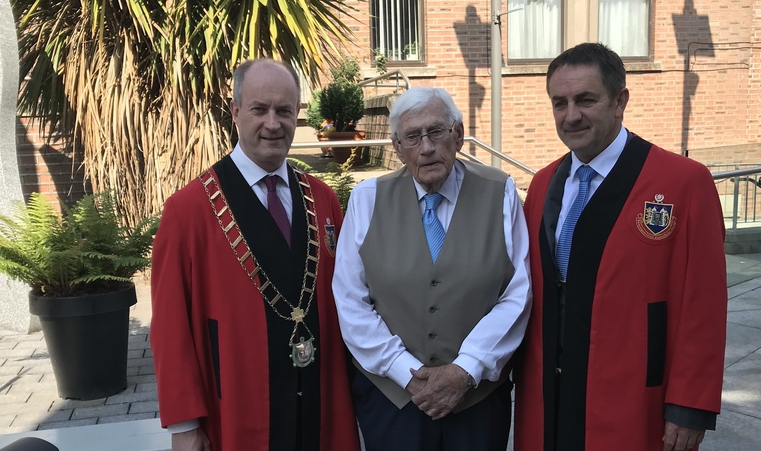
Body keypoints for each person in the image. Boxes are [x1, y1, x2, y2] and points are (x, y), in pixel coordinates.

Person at [514, 43, 728, 451]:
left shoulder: (683, 182)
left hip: (633, 397)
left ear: (620, 101)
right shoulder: (542, 185)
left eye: (586, 99)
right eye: (559, 103)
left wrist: (690, 405)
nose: (571, 115)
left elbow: (705, 303)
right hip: (546, 395)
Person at [150, 59, 360, 451]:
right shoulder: (188, 210)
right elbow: (169, 327)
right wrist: (183, 424)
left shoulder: (323, 199)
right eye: (259, 109)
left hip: (321, 402)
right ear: (235, 112)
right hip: (238, 407)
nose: (273, 123)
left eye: (284, 111)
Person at [333, 86, 532, 451]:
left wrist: (466, 368)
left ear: (457, 134)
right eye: (412, 136)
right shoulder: (366, 199)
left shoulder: (500, 192)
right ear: (396, 147)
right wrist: (404, 372)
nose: (426, 147)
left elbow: (516, 294)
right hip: (392, 401)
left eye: (436, 132)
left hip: (477, 400)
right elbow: (350, 300)